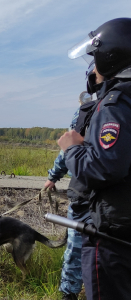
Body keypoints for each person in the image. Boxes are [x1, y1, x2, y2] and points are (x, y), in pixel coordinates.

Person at [59, 18, 131, 300]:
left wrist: (72, 148)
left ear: (108, 56)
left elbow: (104, 167)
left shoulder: (114, 104)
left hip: (114, 233)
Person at [44, 90, 93, 300]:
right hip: (84, 192)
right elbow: (68, 147)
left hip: (113, 196)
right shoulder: (85, 112)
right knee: (76, 246)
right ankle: (70, 293)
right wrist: (53, 176)